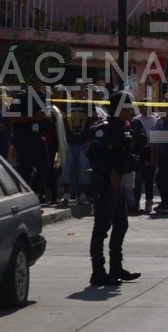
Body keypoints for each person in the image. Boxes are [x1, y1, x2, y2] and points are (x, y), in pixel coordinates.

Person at [86, 91, 144, 287]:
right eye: (126, 107)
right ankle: (98, 272)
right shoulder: (105, 129)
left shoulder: (124, 128)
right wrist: (110, 171)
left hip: (117, 182)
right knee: (101, 228)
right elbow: (93, 153)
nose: (130, 111)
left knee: (122, 224)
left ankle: (116, 267)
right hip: (105, 182)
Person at [9, 80, 53, 202]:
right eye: (35, 82)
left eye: (39, 82)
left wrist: (45, 117)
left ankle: (33, 192)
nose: (37, 85)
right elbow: (12, 118)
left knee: (45, 167)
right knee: (26, 170)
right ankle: (26, 199)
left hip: (38, 137)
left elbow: (45, 115)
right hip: (24, 138)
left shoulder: (41, 97)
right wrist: (33, 117)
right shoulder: (20, 97)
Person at [60, 87, 95, 206]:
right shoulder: (67, 104)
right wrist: (63, 139)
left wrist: (90, 138)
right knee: (67, 167)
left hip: (83, 141)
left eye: (82, 90)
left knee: (84, 168)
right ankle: (66, 195)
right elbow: (62, 123)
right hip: (70, 141)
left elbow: (94, 123)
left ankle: (82, 195)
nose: (80, 92)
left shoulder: (89, 105)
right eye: (77, 90)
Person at [134, 106, 158, 214]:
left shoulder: (155, 120)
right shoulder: (137, 120)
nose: (144, 109)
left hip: (150, 149)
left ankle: (149, 201)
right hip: (139, 150)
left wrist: (153, 157)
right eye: (142, 107)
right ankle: (136, 202)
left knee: (149, 178)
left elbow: (155, 140)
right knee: (138, 177)